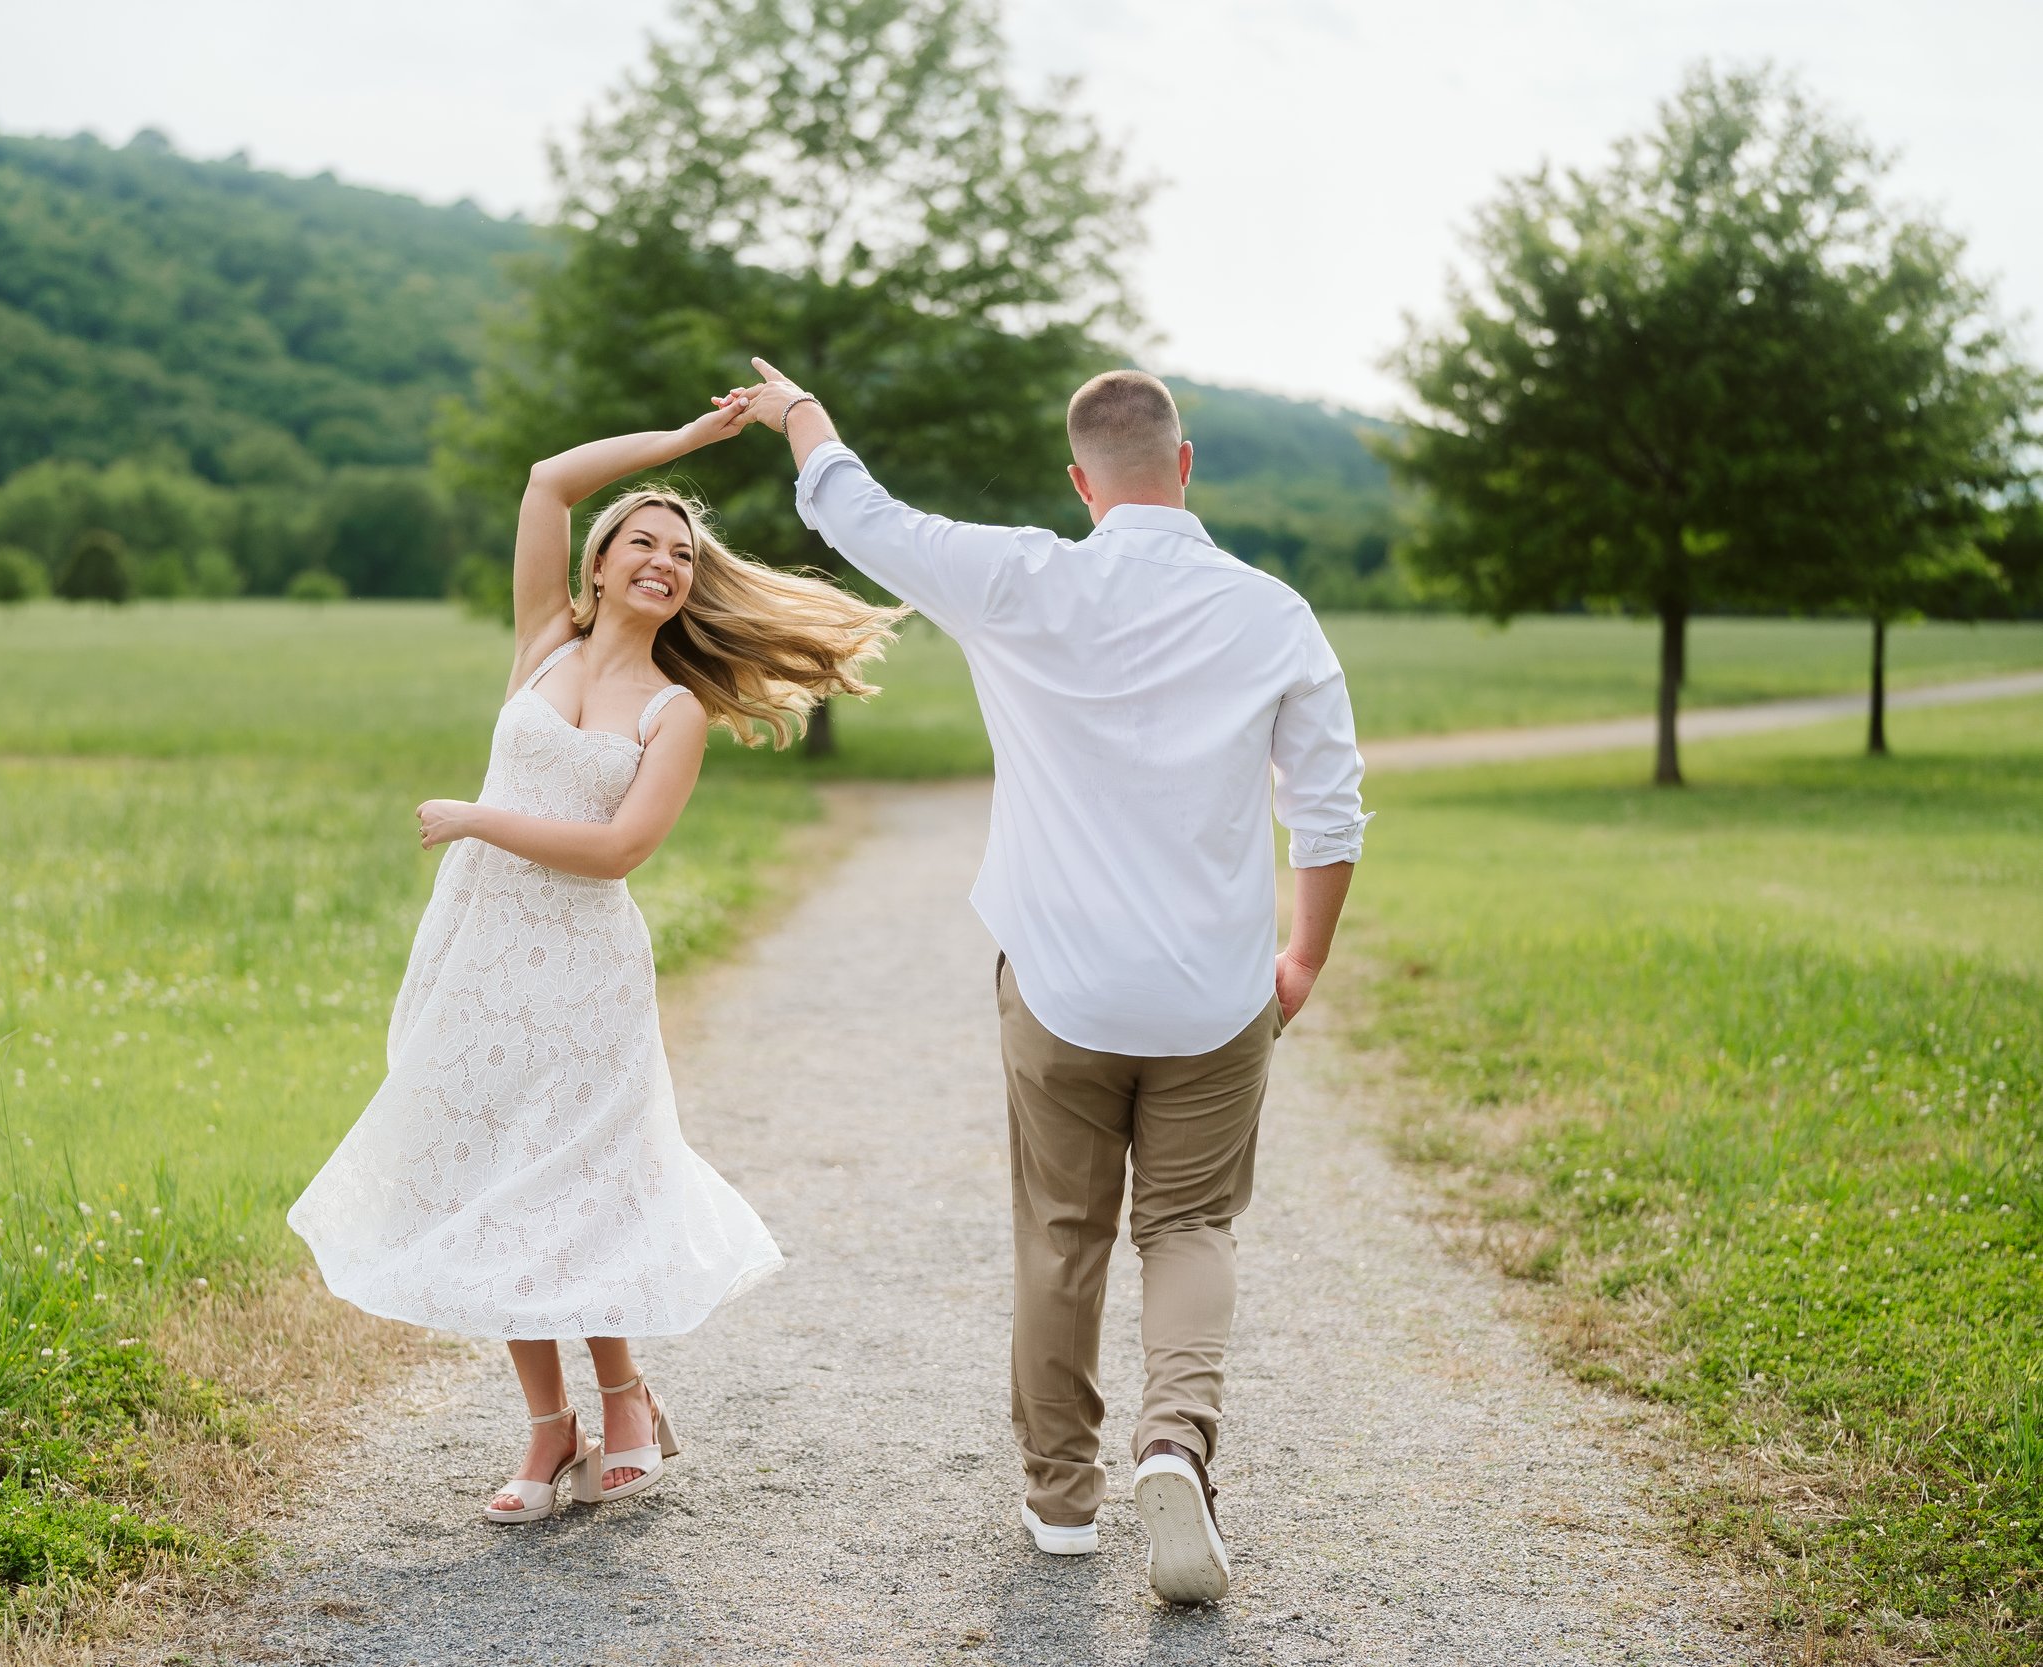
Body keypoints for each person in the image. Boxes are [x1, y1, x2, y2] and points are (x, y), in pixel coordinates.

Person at [730, 359, 1369, 1603]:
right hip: (1215, 993)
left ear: (1081, 483)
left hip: (1063, 987)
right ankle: (1174, 1442)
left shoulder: (1018, 576)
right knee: (1188, 1225)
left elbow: (858, 514)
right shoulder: (1272, 611)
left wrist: (798, 414)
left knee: (1060, 1234)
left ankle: (1061, 1499)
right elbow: (1331, 811)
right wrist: (1300, 959)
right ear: (1183, 467)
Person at [287, 394, 905, 1523]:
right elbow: (543, 479)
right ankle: (548, 1425)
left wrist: (480, 817)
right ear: (602, 561)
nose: (664, 561)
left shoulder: (673, 709)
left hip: (581, 970)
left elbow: (619, 849)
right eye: (644, 543)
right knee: (487, 1174)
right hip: (477, 947)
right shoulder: (543, 643)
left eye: (683, 552)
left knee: (568, 1184)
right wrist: (685, 450)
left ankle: (624, 1398)